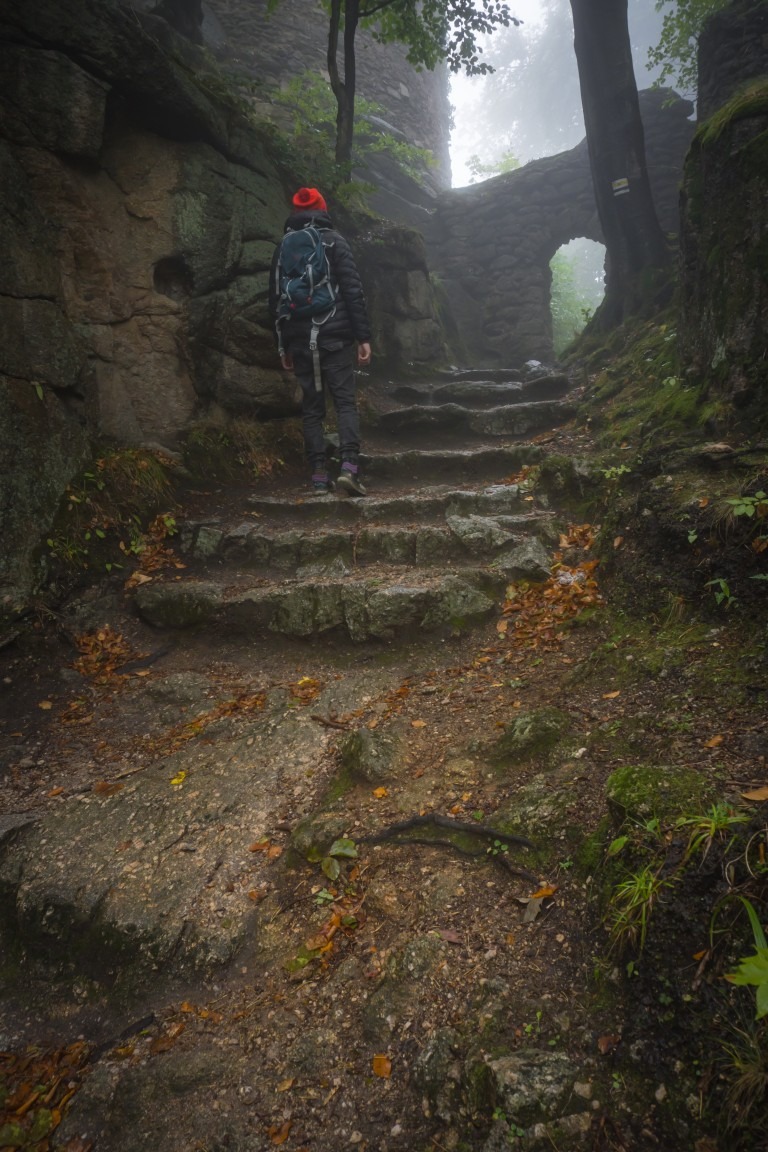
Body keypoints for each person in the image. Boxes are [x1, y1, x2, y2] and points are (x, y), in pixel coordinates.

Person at [270, 187, 372, 496]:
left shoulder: (284, 247)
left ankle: (317, 476)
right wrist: (362, 337)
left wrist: (282, 344)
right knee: (343, 403)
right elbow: (353, 291)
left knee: (312, 408)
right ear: (323, 209)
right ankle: (349, 469)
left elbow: (275, 298)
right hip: (335, 337)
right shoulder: (335, 241)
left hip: (300, 340)